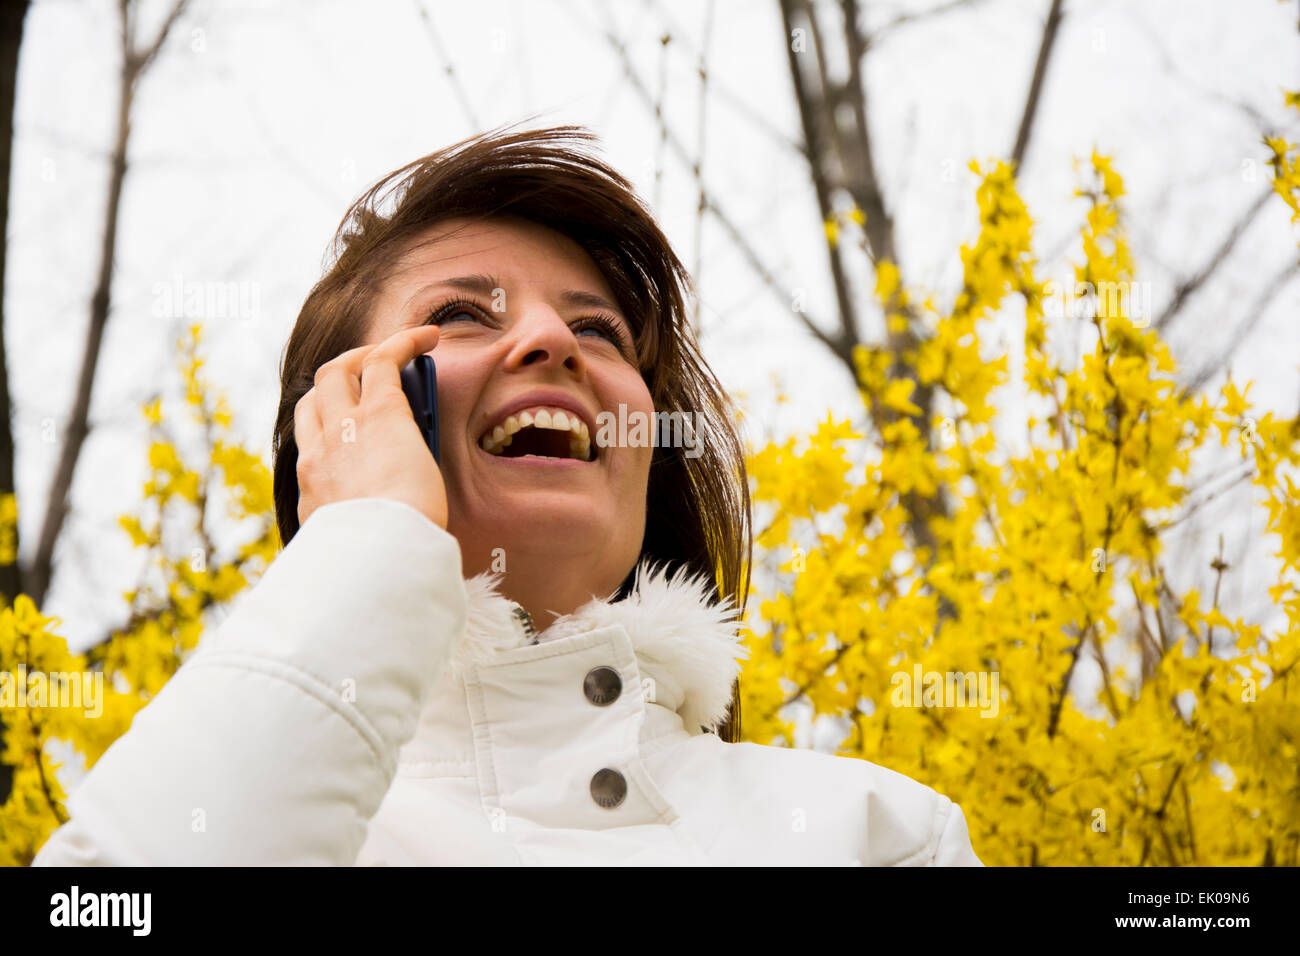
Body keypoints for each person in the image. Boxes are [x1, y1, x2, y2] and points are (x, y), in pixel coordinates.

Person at [35, 126, 983, 866]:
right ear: (344, 419)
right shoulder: (282, 821)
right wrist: (370, 542)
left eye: (599, 330)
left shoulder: (876, 836)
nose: (553, 343)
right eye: (458, 314)